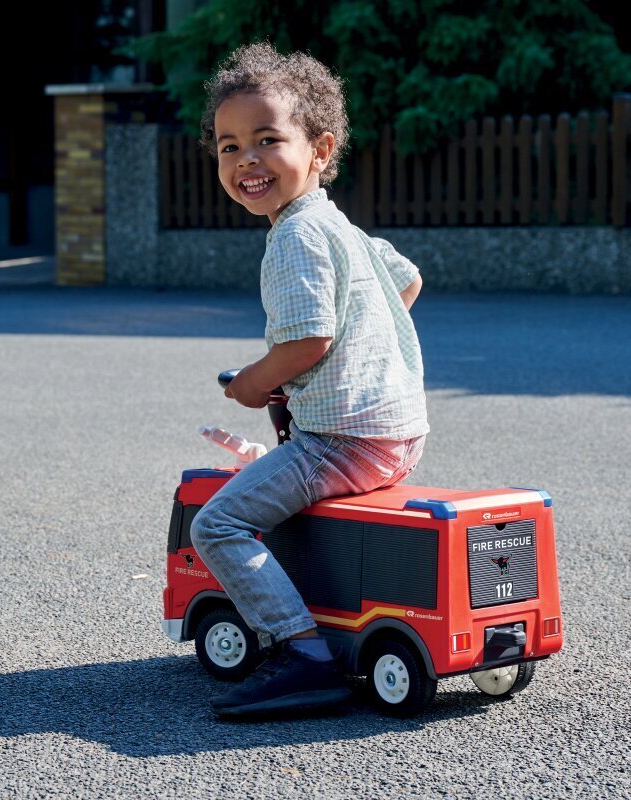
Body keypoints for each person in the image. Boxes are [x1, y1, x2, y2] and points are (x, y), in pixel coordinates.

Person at [192, 42, 429, 717]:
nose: (247, 161)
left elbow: (306, 341)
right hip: (400, 433)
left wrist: (249, 384)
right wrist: (358, 353)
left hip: (343, 440)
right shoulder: (342, 227)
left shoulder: (294, 236)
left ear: (321, 151)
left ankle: (305, 654)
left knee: (220, 524)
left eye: (268, 140)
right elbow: (406, 281)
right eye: (229, 146)